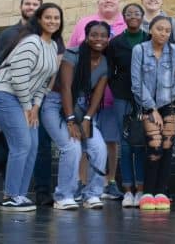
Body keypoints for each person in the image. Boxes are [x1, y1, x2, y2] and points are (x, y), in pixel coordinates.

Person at [0, 2, 63, 211]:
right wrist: (27, 106)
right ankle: (10, 196)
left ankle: (19, 194)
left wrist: (35, 107)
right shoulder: (31, 42)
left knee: (33, 146)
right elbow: (18, 78)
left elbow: (43, 83)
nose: (53, 21)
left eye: (56, 18)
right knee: (21, 145)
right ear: (39, 20)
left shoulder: (53, 46)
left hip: (24, 100)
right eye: (48, 17)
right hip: (3, 95)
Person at [43, 20, 111, 210]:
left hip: (81, 108)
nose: (99, 39)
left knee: (99, 148)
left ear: (108, 38)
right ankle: (64, 195)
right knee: (72, 147)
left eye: (103, 35)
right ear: (87, 37)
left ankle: (92, 194)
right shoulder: (72, 54)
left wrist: (88, 119)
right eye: (94, 35)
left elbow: (97, 94)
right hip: (56, 104)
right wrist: (71, 120)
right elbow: (65, 87)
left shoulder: (105, 61)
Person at [131, 15, 175, 211]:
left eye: (167, 30)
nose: (164, 33)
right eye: (160, 29)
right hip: (147, 103)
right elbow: (136, 83)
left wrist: (170, 94)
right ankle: (148, 192)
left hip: (171, 105)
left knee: (167, 145)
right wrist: (152, 107)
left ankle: (161, 192)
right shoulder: (139, 50)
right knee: (154, 145)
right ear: (150, 30)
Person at [69, 0, 127, 200]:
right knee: (85, 139)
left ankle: (109, 182)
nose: (108, 1)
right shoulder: (84, 23)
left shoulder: (125, 25)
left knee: (111, 141)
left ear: (118, 1)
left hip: (113, 94)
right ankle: (81, 182)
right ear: (98, 1)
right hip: (85, 95)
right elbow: (71, 53)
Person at [107, 3, 148, 207]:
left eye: (137, 13)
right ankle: (128, 190)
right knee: (124, 143)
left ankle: (140, 189)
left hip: (145, 97)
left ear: (142, 17)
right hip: (122, 96)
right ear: (124, 17)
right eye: (129, 13)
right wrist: (116, 88)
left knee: (139, 142)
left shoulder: (149, 38)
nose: (133, 16)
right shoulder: (115, 43)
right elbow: (110, 70)